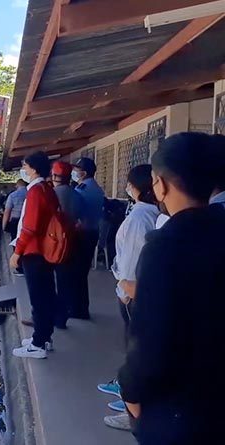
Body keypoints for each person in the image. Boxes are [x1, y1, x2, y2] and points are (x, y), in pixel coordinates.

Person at [117, 133, 225, 443]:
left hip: (179, 406)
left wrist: (131, 389)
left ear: (160, 185)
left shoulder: (166, 246)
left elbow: (151, 336)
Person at [98, 164, 160, 432]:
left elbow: (132, 260)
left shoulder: (138, 218)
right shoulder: (149, 213)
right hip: (138, 291)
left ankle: (134, 409)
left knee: (136, 349)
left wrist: (124, 291)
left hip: (132, 293)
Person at [9, 152, 60, 359]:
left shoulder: (36, 192)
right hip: (44, 251)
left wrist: (17, 252)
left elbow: (29, 228)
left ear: (34, 168)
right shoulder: (47, 189)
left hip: (34, 252)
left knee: (38, 298)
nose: (24, 168)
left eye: (25, 165)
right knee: (45, 295)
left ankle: (38, 344)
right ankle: (43, 336)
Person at [50, 162, 83, 330]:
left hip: (54, 242)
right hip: (72, 240)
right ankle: (62, 317)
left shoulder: (51, 194)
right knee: (65, 281)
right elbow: (79, 218)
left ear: (55, 177)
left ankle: (50, 316)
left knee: (49, 281)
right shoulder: (77, 194)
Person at [71, 157, 105, 320]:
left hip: (83, 234)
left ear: (83, 173)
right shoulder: (96, 188)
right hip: (92, 232)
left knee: (77, 272)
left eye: (76, 170)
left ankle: (78, 309)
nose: (74, 172)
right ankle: (80, 308)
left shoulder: (83, 189)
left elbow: (74, 211)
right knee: (80, 272)